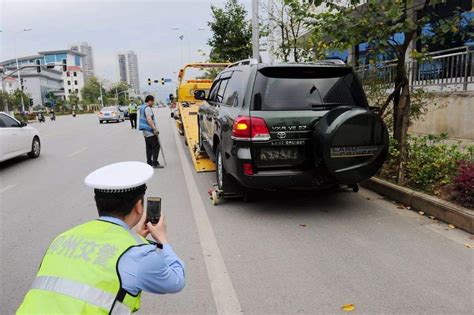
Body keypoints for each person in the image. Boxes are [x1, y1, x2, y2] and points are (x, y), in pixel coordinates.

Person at [17, 161, 185, 314]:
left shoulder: (62, 238)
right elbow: (177, 280)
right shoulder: (140, 254)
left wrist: (135, 239)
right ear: (139, 207)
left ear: (98, 203)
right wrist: (162, 239)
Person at [139, 95, 163, 168]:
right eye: (152, 101)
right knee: (156, 146)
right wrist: (154, 129)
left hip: (145, 131)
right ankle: (154, 163)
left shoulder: (142, 107)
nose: (153, 103)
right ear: (149, 100)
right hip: (150, 130)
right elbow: (149, 119)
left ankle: (149, 162)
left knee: (148, 147)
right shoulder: (147, 108)